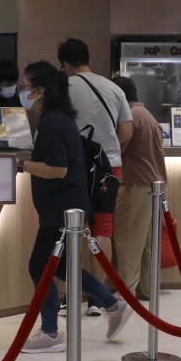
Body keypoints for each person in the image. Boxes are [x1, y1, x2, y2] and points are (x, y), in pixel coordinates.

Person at [18, 61, 132, 353]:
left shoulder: (53, 122)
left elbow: (57, 169)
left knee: (39, 267)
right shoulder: (59, 118)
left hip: (61, 209)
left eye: (26, 86)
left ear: (40, 91)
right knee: (63, 268)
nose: (23, 91)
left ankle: (51, 332)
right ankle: (112, 304)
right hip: (65, 207)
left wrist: (21, 165)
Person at [58, 38, 133, 315]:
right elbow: (126, 132)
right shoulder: (113, 88)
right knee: (103, 230)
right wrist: (107, 152)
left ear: (64, 64)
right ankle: (97, 301)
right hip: (108, 168)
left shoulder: (62, 88)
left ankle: (71, 296)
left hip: (73, 168)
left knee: (69, 228)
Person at [112, 76, 168, 301]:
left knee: (127, 240)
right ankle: (147, 287)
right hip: (154, 186)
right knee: (146, 244)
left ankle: (126, 292)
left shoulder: (131, 117)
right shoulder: (147, 115)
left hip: (136, 184)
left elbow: (118, 146)